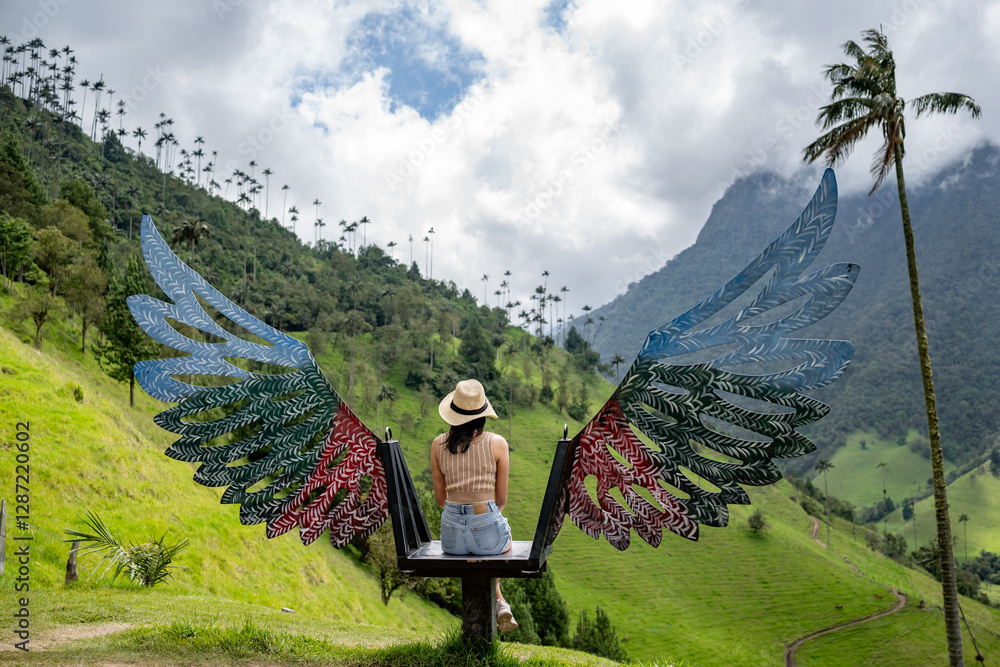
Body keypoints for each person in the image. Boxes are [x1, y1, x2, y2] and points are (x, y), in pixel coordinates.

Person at [430, 378, 518, 632]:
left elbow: (440, 501)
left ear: (453, 414)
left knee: (480, 541)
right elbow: (500, 502)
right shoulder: (497, 443)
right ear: (483, 415)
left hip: (451, 540)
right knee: (503, 537)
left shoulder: (438, 445)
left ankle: (500, 600)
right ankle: (500, 600)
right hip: (488, 532)